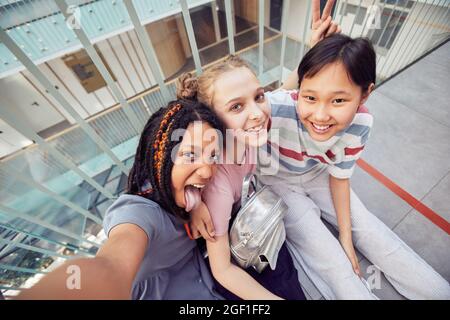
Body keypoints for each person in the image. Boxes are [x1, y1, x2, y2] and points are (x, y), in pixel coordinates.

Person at [256, 33, 450, 300]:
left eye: (338, 100)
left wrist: (347, 236)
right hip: (277, 182)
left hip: (317, 175)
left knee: (369, 230)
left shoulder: (361, 123)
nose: (321, 115)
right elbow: (228, 111)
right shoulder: (273, 109)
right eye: (310, 97)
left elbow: (340, 176)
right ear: (299, 89)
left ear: (365, 94)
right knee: (331, 260)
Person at [18, 100, 227, 299]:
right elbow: (111, 264)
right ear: (161, 159)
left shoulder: (183, 191)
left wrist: (197, 204)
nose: (208, 171)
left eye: (213, 156)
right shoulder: (138, 214)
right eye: (190, 156)